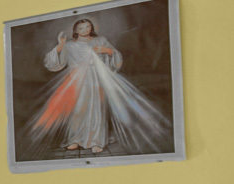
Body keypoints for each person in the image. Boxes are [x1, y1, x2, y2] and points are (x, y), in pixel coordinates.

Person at [31, 17, 169, 154]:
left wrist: (106, 51)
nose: (85, 30)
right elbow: (54, 64)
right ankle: (76, 139)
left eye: (87, 27)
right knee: (77, 110)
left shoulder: (100, 40)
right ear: (75, 30)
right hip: (76, 80)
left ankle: (96, 141)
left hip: (96, 79)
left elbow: (115, 56)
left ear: (91, 28)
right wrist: (60, 45)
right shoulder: (69, 45)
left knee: (96, 109)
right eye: (81, 28)